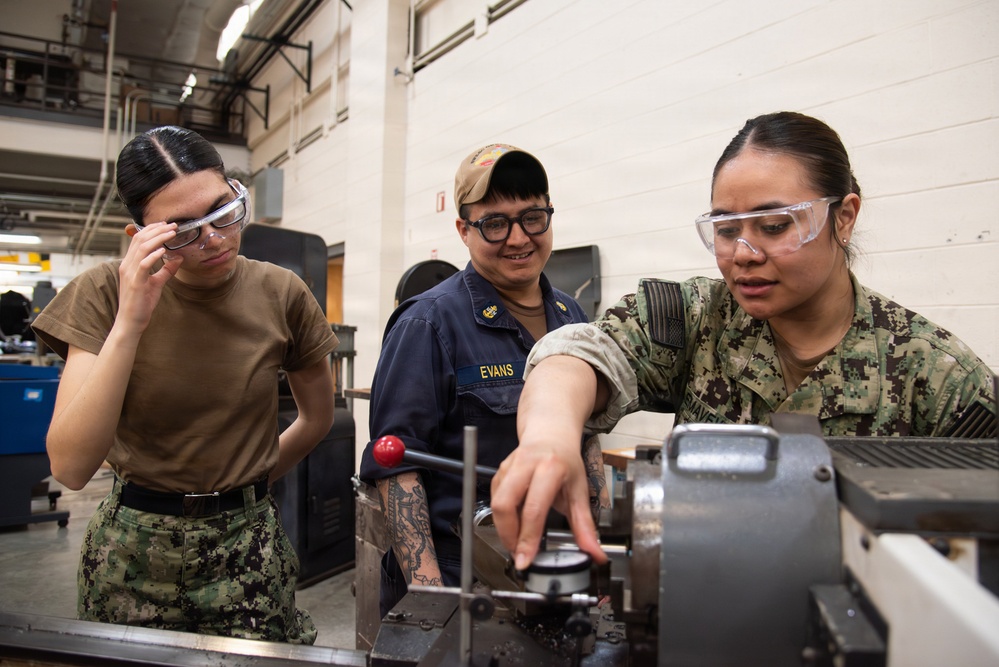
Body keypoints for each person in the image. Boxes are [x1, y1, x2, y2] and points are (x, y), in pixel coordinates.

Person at [489, 111, 998, 572]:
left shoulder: (940, 381)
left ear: (843, 216)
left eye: (775, 226)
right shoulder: (693, 318)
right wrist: (550, 436)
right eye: (727, 230)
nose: (744, 254)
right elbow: (579, 354)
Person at [31, 126, 338, 643]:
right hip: (132, 549)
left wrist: (248, 481)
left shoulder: (280, 291)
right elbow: (71, 466)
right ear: (141, 236)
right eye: (183, 228)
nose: (214, 238)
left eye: (223, 210)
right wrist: (130, 323)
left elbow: (317, 417)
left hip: (248, 547)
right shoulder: (103, 294)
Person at [359, 144, 597, 617]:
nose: (518, 238)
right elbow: (397, 467)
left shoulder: (571, 316)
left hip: (554, 566)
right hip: (459, 574)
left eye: (532, 217)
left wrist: (595, 546)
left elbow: (588, 438)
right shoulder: (427, 324)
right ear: (463, 230)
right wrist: (431, 598)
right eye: (495, 223)